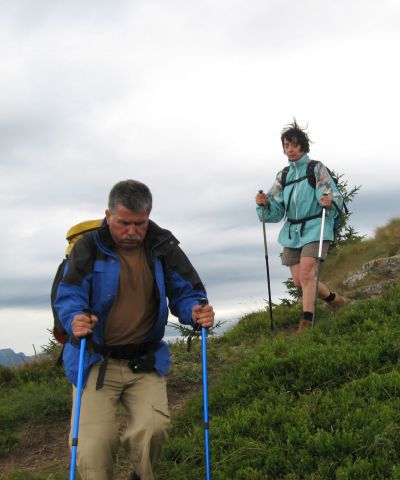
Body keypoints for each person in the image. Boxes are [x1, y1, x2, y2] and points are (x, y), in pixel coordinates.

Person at [54, 179, 215, 480]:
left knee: (154, 429)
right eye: (123, 223)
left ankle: (140, 476)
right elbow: (69, 294)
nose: (131, 232)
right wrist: (75, 318)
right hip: (93, 362)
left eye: (139, 224)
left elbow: (187, 290)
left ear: (148, 216)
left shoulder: (162, 245)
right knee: (93, 448)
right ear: (108, 215)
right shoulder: (88, 248)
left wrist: (195, 310)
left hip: (145, 361)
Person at [255, 120, 346, 332]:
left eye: (294, 145)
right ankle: (335, 301)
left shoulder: (316, 168)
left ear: (302, 146)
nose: (290, 149)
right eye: (286, 146)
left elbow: (332, 194)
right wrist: (265, 202)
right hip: (292, 231)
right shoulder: (283, 175)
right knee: (300, 281)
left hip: (316, 226)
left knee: (306, 274)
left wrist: (329, 201)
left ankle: (306, 324)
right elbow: (276, 208)